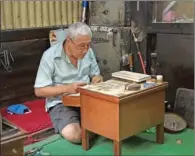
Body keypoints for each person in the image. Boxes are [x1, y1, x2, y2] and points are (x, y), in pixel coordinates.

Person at [34, 22, 103, 144]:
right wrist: (67, 88)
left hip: (87, 99)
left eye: (88, 45)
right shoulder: (50, 56)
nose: (86, 50)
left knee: (115, 118)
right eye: (81, 46)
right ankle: (92, 128)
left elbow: (96, 74)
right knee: (74, 135)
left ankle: (92, 127)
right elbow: (39, 90)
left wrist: (97, 78)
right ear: (69, 41)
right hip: (61, 103)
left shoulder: (88, 51)